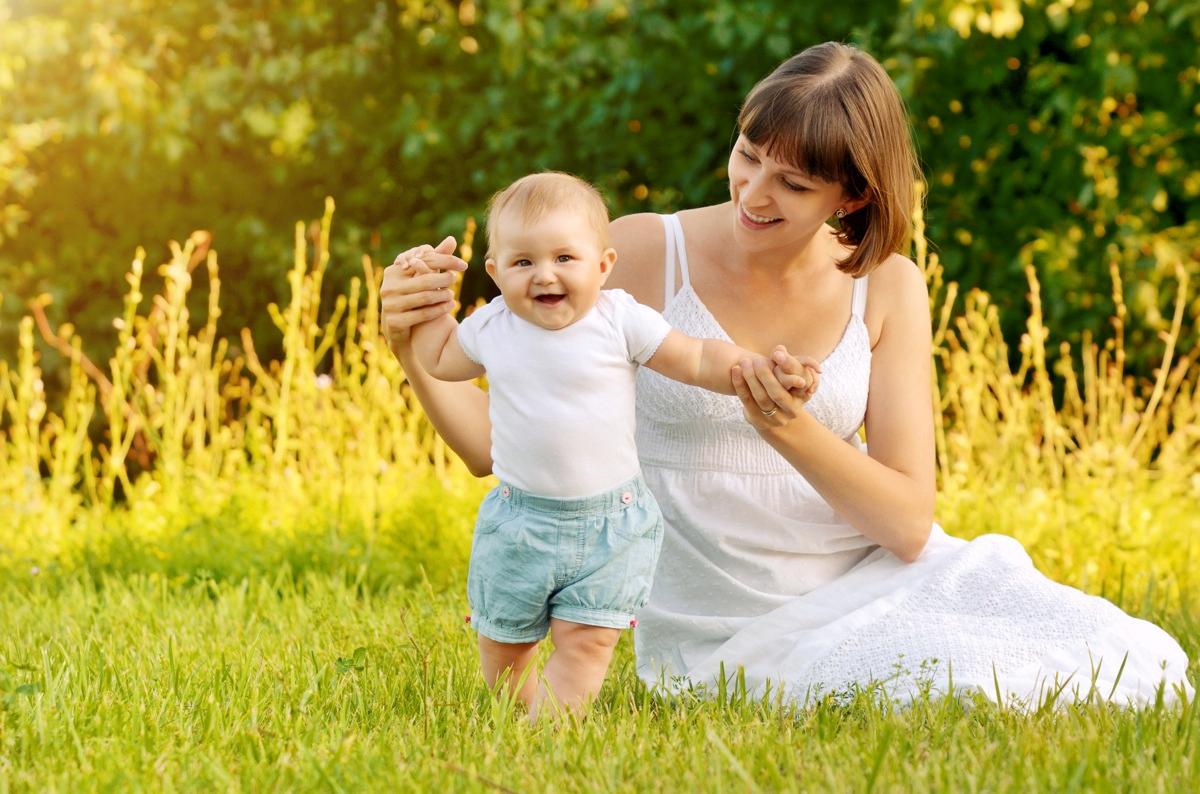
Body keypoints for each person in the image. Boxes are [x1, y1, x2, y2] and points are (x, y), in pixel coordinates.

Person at [381, 42, 1194, 707]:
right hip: (718, 618)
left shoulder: (889, 287)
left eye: (792, 182)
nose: (753, 193)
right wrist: (414, 346)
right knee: (929, 689)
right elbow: (495, 448)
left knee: (1107, 661)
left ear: (851, 195)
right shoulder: (637, 254)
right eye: (747, 155)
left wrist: (788, 427)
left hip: (869, 574)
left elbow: (909, 523)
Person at [401, 171, 820, 719]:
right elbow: (436, 360)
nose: (544, 275)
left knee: (589, 640)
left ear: (603, 265)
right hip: (518, 523)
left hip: (611, 524)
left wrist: (755, 366)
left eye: (564, 258)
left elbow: (694, 358)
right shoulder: (490, 328)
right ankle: (522, 709)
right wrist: (426, 300)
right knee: (504, 646)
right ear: (495, 271)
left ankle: (550, 730)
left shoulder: (618, 318)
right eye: (523, 262)